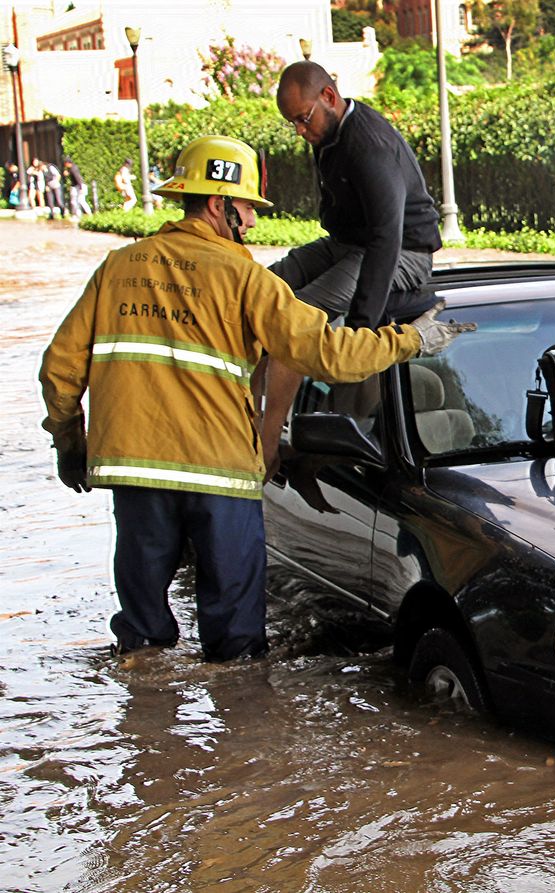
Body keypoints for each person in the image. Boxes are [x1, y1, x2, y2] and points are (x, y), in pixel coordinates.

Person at [39, 135, 473, 662]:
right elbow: (326, 353)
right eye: (246, 206)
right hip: (218, 472)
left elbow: (59, 371)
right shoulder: (244, 278)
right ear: (220, 204)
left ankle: (148, 727)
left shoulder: (117, 268)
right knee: (236, 644)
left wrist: (70, 444)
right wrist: (410, 340)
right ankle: (240, 728)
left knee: (142, 640)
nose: (251, 220)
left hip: (136, 471)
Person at [257, 60, 443, 477]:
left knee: (294, 318)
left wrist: (361, 329)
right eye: (293, 124)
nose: (301, 132)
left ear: (329, 96)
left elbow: (386, 239)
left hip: (403, 253)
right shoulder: (327, 132)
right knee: (259, 290)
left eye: (303, 120)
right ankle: (244, 415)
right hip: (346, 244)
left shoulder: (369, 145)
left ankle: (268, 443)